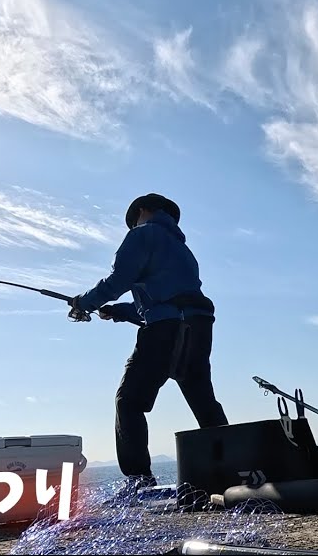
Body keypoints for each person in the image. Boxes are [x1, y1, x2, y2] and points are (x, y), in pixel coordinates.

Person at [68, 193, 228, 500]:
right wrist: (119, 311)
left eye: (133, 220)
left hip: (167, 329)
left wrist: (84, 303)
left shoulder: (142, 234)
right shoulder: (183, 250)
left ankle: (139, 482)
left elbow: (119, 279)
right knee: (203, 402)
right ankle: (234, 469)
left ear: (142, 211)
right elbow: (166, 297)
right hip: (199, 327)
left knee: (128, 401)